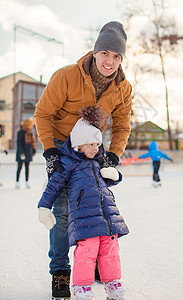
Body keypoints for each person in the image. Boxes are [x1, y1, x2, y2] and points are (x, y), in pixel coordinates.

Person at [34, 21, 132, 298]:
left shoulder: (123, 88)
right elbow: (42, 114)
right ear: (95, 51)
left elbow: (123, 126)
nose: (110, 61)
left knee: (98, 208)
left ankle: (98, 263)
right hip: (62, 151)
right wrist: (50, 152)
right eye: (105, 53)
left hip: (92, 153)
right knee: (63, 211)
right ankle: (61, 272)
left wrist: (111, 157)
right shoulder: (67, 76)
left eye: (117, 56)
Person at [38, 106, 129, 300]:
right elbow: (53, 187)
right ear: (78, 145)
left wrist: (115, 175)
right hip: (84, 218)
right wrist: (44, 207)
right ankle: (81, 286)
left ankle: (112, 281)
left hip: (107, 216)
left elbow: (108, 180)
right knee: (86, 252)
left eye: (97, 144)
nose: (95, 149)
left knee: (110, 249)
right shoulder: (67, 164)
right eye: (90, 145)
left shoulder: (98, 161)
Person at [15, 118, 36, 189]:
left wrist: (33, 150)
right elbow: (19, 144)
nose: (31, 126)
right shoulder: (20, 132)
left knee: (27, 167)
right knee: (19, 167)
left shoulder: (29, 132)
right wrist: (21, 153)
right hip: (21, 153)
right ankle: (17, 182)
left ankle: (27, 181)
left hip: (28, 152)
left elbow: (32, 142)